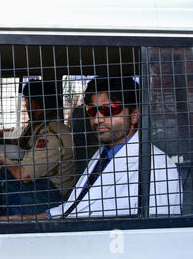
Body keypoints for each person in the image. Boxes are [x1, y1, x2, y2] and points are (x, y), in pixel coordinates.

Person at [16, 77, 182, 219]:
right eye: (92, 111)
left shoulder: (158, 167)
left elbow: (157, 233)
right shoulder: (103, 154)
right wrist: (25, 219)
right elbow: (75, 208)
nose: (97, 120)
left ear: (134, 115)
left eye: (110, 109)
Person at [0, 80, 76, 216]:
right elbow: (17, 134)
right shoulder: (39, 126)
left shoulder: (52, 135)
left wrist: (2, 159)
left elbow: (23, 174)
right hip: (37, 186)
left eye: (26, 102)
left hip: (48, 195)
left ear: (35, 104)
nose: (25, 107)